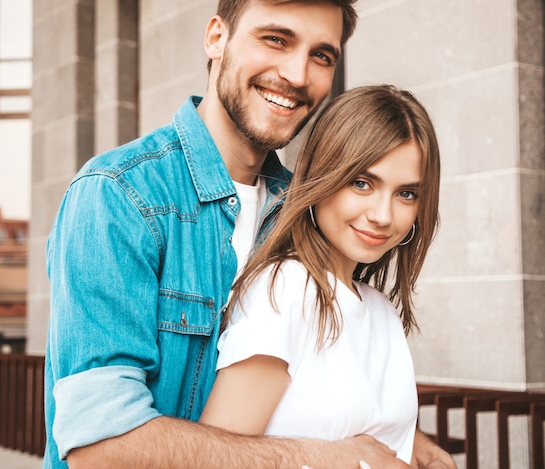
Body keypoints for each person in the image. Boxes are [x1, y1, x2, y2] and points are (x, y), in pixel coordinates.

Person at [43, 1, 457, 468]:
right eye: (276, 39)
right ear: (217, 37)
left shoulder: (307, 209)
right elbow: (100, 449)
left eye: (322, 55)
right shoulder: (118, 195)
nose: (298, 74)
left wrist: (400, 437)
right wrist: (325, 457)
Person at [199, 85, 444, 467]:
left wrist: (420, 450)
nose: (383, 214)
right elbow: (218, 457)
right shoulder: (286, 289)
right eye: (362, 183)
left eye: (406, 193)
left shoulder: (381, 310)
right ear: (322, 178)